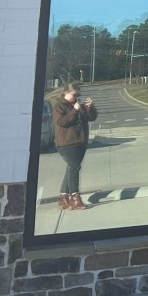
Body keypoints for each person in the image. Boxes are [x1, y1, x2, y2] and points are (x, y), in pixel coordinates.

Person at [52, 82, 97, 210]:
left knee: (71, 167)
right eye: (74, 94)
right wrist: (75, 110)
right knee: (75, 167)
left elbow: (91, 118)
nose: (77, 97)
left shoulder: (78, 105)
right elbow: (62, 122)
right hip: (66, 142)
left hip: (80, 141)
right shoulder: (59, 106)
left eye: (79, 94)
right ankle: (75, 197)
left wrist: (90, 108)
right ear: (66, 92)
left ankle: (63, 198)